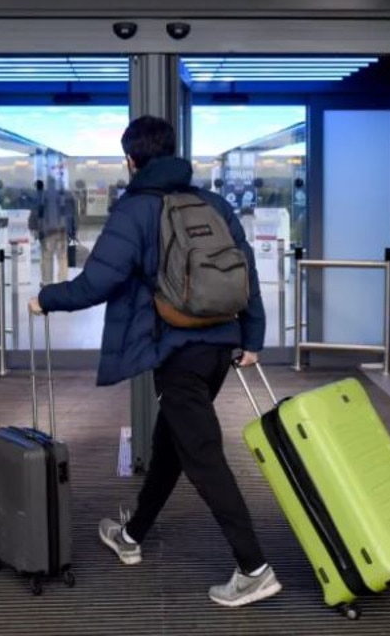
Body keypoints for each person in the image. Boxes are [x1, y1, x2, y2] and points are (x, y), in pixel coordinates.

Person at [28, 115, 279, 608]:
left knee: (203, 456)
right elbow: (244, 271)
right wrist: (252, 337)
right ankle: (132, 534)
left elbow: (97, 282)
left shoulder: (136, 210)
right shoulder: (214, 203)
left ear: (131, 160)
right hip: (219, 349)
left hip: (178, 349)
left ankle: (254, 568)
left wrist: (46, 298)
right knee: (173, 444)